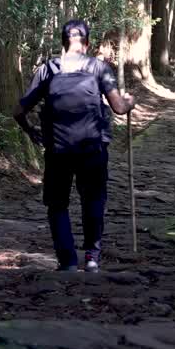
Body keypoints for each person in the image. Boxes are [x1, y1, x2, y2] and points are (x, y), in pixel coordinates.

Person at [15, 19, 135, 272]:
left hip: (58, 149)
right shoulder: (99, 68)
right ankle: (91, 257)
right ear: (88, 43)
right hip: (93, 148)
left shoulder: (48, 69)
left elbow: (18, 110)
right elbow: (119, 108)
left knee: (57, 204)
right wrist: (130, 102)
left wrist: (31, 131)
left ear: (62, 42)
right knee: (93, 201)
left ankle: (67, 261)